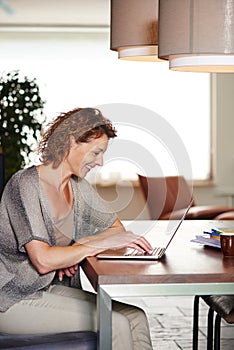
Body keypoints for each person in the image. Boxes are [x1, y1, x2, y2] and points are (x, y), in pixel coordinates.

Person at [0, 107, 153, 350]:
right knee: (116, 324)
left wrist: (76, 249)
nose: (100, 162)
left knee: (136, 317)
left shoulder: (77, 186)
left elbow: (117, 229)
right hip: (13, 300)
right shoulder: (25, 185)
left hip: (49, 290)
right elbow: (43, 261)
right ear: (71, 141)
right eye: (96, 152)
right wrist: (85, 248)